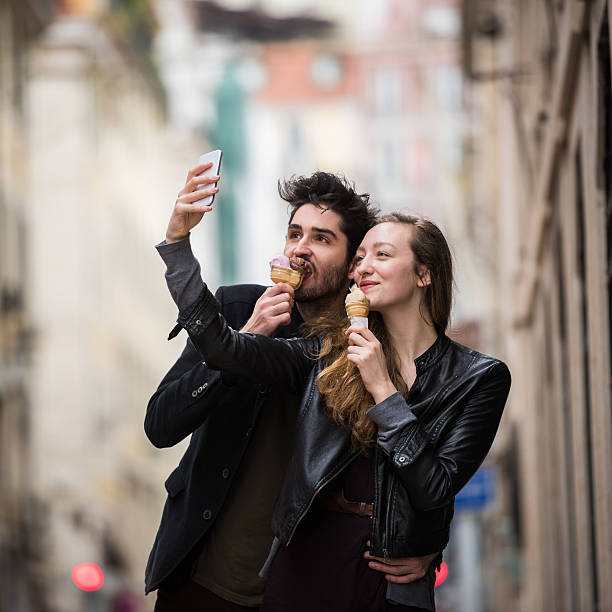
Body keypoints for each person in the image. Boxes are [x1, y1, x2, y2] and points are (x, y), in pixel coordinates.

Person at [165, 206, 512, 612]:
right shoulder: (330, 352)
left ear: (424, 273)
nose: (363, 267)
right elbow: (224, 349)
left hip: (391, 575)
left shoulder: (478, 378)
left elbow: (435, 489)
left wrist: (382, 388)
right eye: (360, 258)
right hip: (306, 564)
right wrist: (177, 248)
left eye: (381, 255)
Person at [145, 161, 438, 611]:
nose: (301, 249)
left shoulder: (367, 347)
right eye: (294, 234)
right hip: (203, 579)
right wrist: (247, 338)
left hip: (307, 587)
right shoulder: (236, 306)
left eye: (322, 239)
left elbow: (418, 459)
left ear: (352, 264)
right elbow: (161, 425)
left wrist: (429, 541)